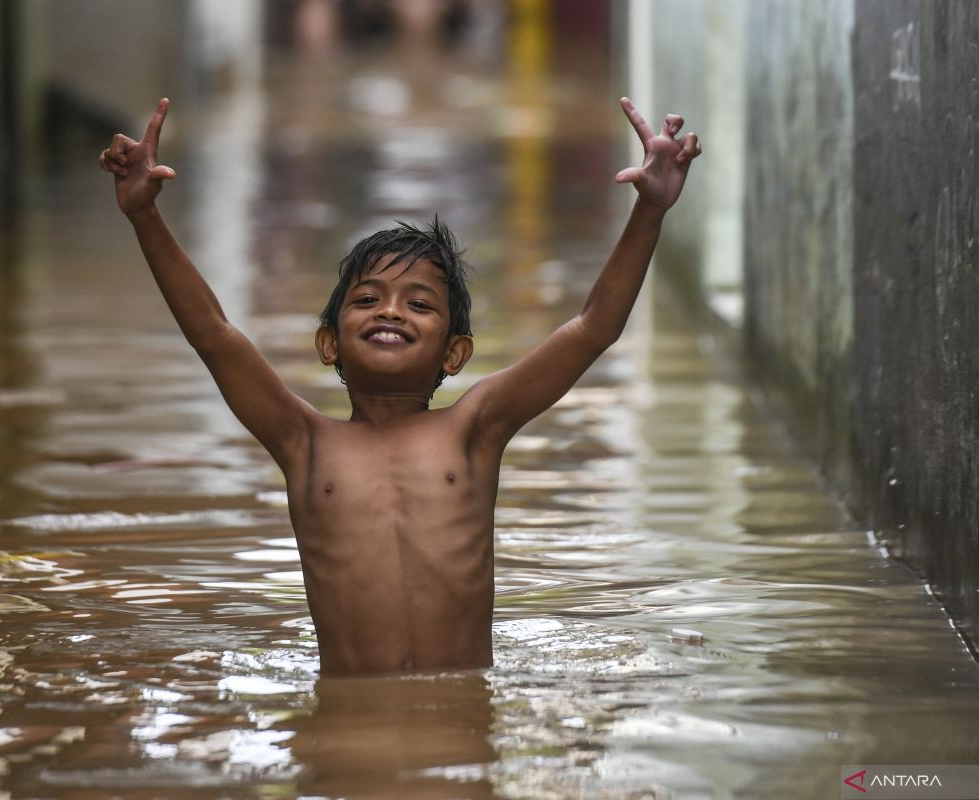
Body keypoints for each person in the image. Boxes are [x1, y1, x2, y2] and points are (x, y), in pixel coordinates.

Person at [98, 96, 701, 677]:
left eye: (418, 304)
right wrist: (144, 216)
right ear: (328, 342)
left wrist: (650, 210)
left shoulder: (476, 428)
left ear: (456, 352)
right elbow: (214, 334)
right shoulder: (303, 441)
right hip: (349, 727)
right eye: (367, 300)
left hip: (461, 728)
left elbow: (593, 327)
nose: (391, 313)